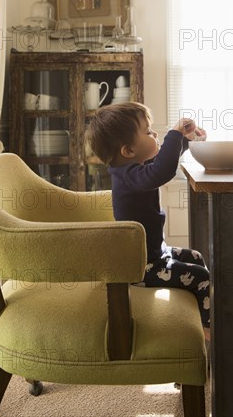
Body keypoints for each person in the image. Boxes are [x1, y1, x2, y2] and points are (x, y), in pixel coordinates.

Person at [86, 102, 210, 340]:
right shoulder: (129, 177)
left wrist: (185, 141)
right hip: (141, 267)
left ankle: (198, 309)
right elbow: (161, 171)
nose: (154, 134)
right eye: (148, 131)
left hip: (156, 253)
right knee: (202, 277)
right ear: (128, 151)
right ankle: (207, 328)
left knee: (195, 257)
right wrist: (174, 134)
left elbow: (160, 164)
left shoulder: (133, 170)